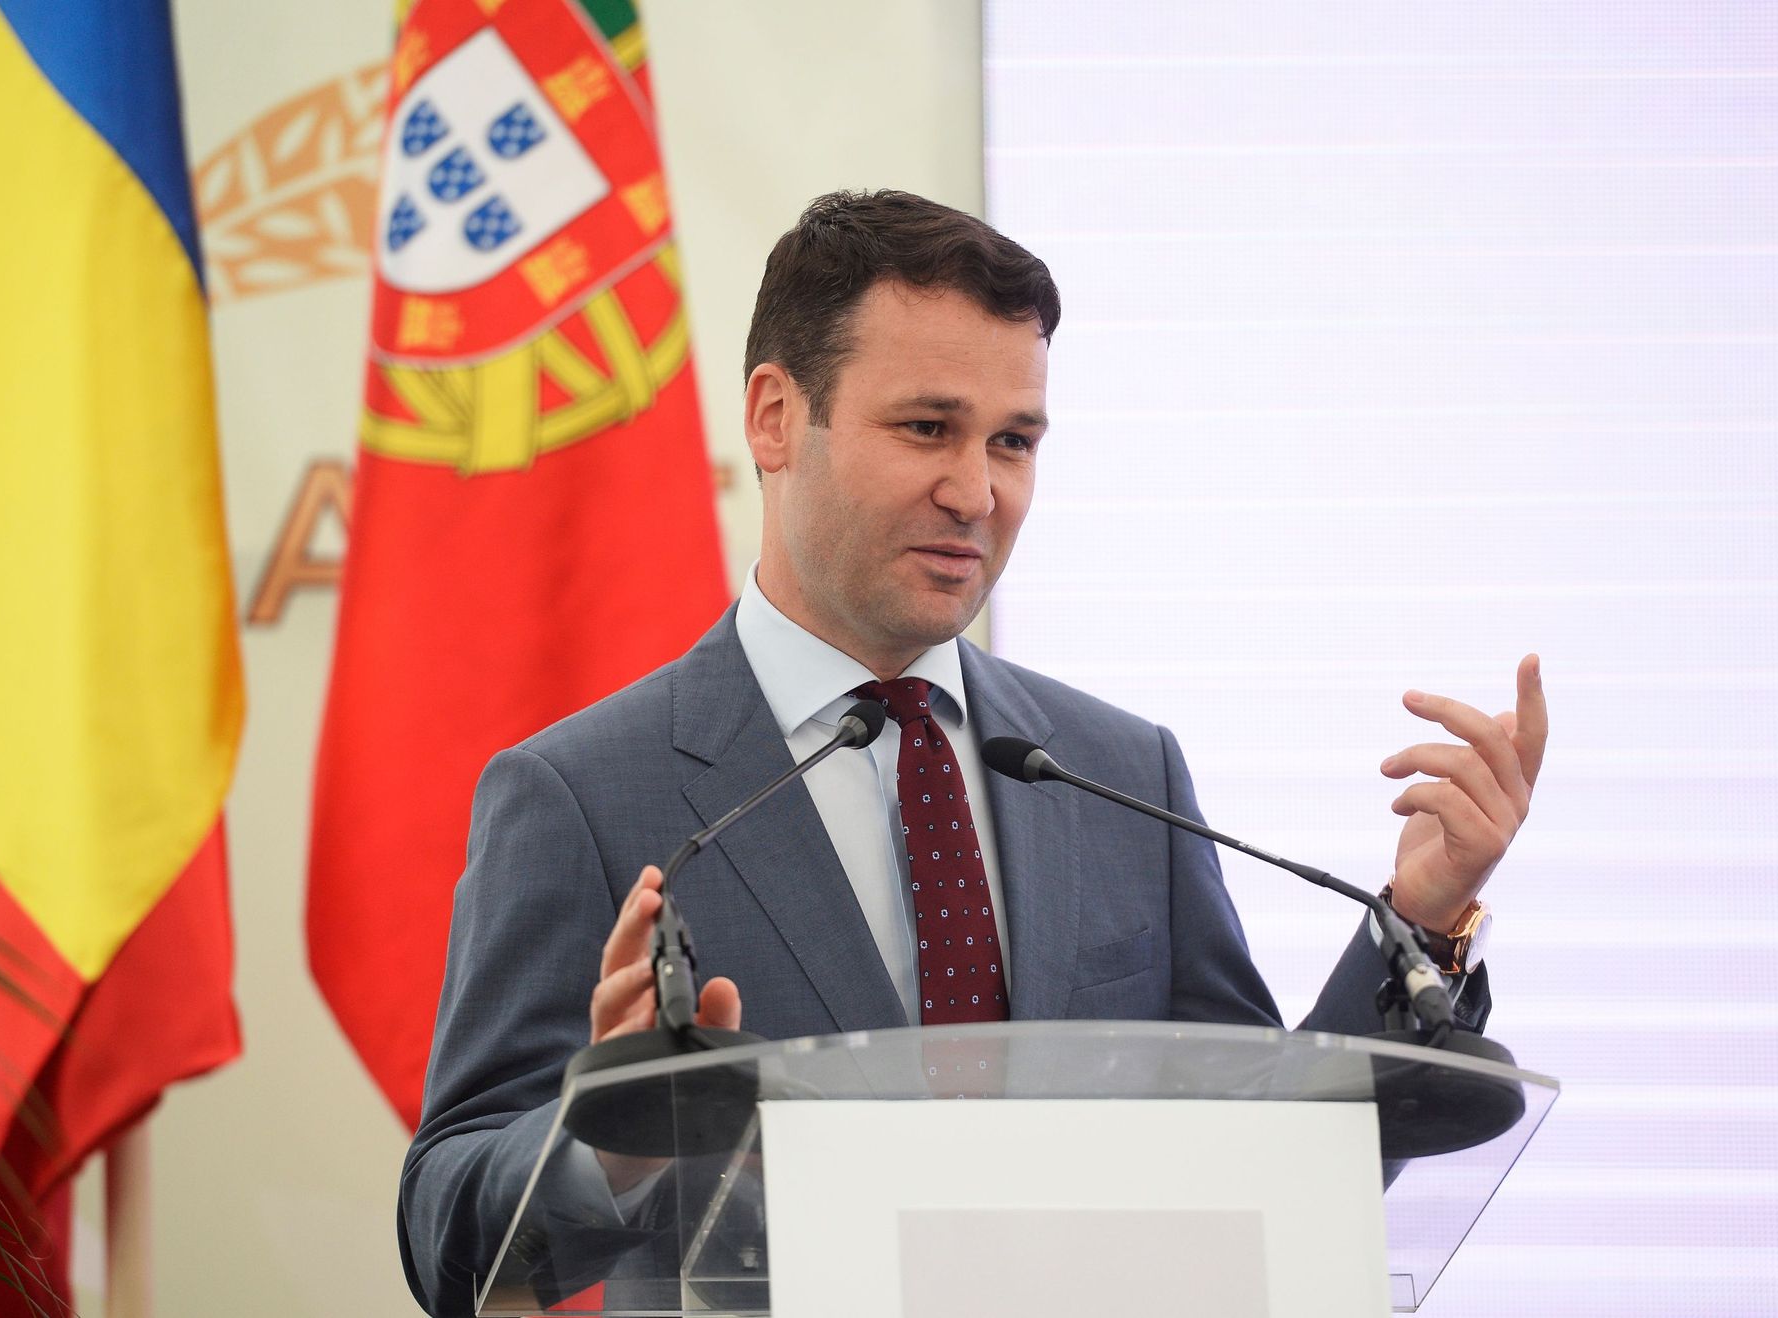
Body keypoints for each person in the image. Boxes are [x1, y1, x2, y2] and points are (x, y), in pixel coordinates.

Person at [397, 190, 1547, 1316]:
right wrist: (614, 1142)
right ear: (775, 417)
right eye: (927, 428)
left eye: (1014, 442)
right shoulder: (582, 792)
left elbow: (1268, 1163)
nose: (976, 492)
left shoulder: (1121, 773)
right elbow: (448, 1233)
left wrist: (1423, 911)